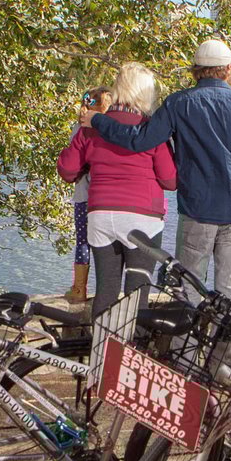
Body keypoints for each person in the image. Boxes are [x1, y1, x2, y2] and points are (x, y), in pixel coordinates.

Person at [79, 38, 231, 302]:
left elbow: (138, 139)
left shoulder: (178, 104)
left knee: (189, 290)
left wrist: (98, 120)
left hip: (197, 210)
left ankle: (188, 343)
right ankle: (225, 345)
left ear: (195, 69)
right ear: (229, 69)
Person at [58, 64, 176, 316]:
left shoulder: (92, 126)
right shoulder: (150, 129)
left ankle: (100, 350)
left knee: (106, 291)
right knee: (137, 296)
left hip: (101, 216)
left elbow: (67, 170)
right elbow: (170, 180)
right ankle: (132, 352)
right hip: (143, 219)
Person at [63, 86, 110, 302]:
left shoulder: (79, 127)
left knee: (82, 241)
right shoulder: (111, 127)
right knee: (106, 244)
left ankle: (79, 289)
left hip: (83, 195)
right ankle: (104, 289)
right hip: (104, 197)